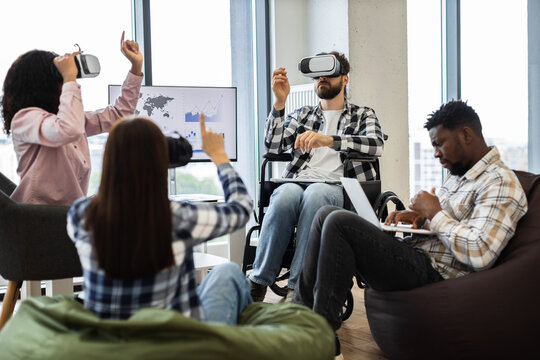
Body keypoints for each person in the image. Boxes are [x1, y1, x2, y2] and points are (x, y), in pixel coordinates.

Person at [293, 100, 528, 359]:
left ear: (466, 134)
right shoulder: (458, 175)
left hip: (436, 273)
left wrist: (434, 213)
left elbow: (481, 253)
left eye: (440, 143)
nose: (436, 153)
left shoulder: (500, 182)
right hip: (415, 255)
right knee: (325, 214)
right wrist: (419, 218)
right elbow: (451, 224)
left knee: (339, 221)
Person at [66, 114, 253, 323]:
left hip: (110, 342)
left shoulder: (81, 215)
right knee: (229, 273)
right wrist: (220, 157)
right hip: (173, 343)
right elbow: (242, 208)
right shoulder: (179, 217)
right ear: (159, 162)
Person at [248, 51, 384, 302]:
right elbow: (273, 147)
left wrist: (329, 140)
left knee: (316, 194)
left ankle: (298, 288)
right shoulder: (302, 115)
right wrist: (279, 103)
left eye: (329, 73)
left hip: (338, 186)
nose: (322, 78)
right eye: (317, 74)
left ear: (344, 79)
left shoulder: (363, 114)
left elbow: (375, 145)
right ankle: (258, 281)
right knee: (283, 194)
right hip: (299, 180)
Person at [1, 32, 143, 205]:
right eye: (60, 78)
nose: (66, 82)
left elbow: (120, 115)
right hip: (38, 220)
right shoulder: (24, 120)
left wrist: (136, 67)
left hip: (67, 214)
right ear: (44, 84)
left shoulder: (65, 119)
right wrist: (69, 78)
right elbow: (69, 129)